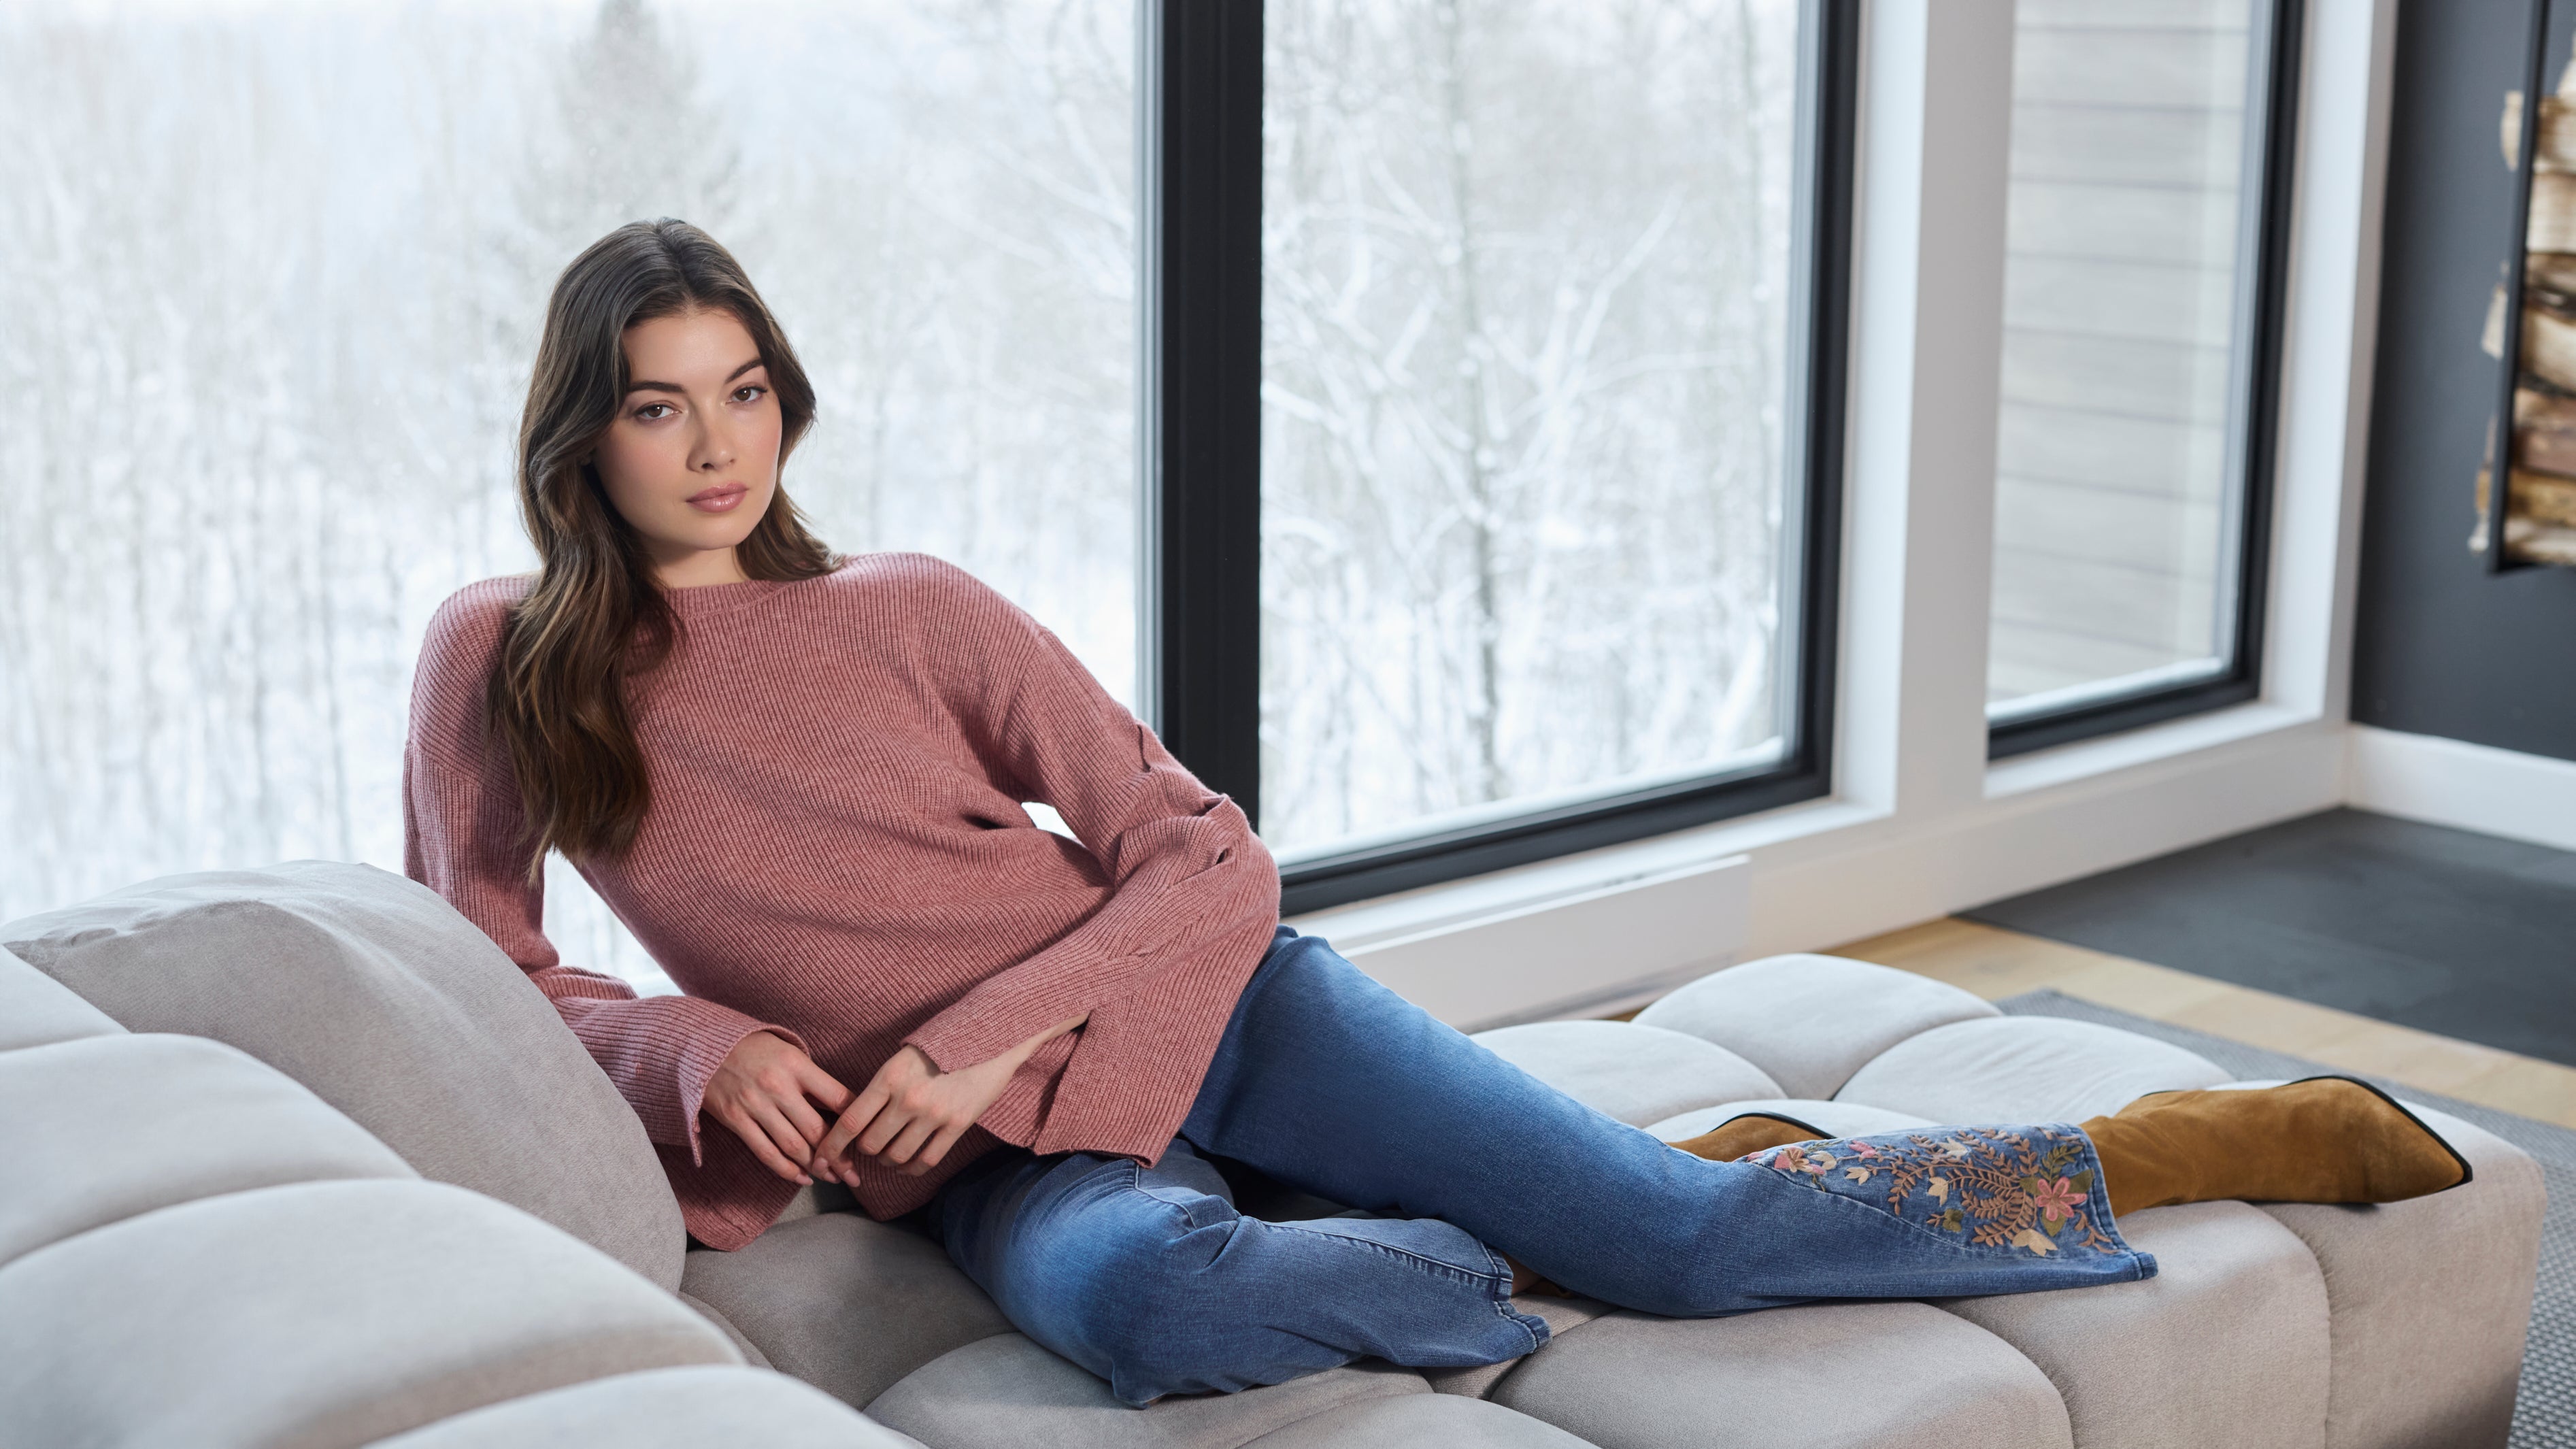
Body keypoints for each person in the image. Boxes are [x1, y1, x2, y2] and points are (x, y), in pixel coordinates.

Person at [403, 219, 2473, 1408]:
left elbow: (1204, 855)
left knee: (1690, 1239)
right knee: (1151, 1310)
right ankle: (1517, 1224)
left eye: (744, 386)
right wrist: (705, 1045)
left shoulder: (911, 607)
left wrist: (964, 1042)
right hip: (985, 1169)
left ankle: (2161, 1144)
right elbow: (486, 954)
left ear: (788, 395)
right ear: (582, 428)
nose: (714, 441)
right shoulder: (508, 657)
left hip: (1221, 1011)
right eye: (662, 400)